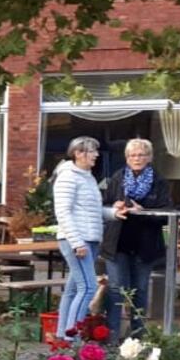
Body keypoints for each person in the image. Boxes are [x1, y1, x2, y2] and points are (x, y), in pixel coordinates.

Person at [101, 138, 170, 337]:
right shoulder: (118, 177)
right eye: (132, 155)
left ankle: (138, 334)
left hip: (145, 244)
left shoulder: (159, 181)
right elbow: (104, 205)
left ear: (149, 157)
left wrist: (144, 211)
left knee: (139, 289)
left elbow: (166, 214)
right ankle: (111, 334)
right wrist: (114, 206)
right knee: (116, 289)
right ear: (126, 158)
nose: (137, 158)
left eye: (141, 155)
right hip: (117, 243)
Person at [52, 136, 106, 341]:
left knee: (73, 289)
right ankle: (71, 337)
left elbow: (92, 210)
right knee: (88, 287)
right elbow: (63, 212)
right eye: (92, 151)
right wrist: (76, 242)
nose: (96, 155)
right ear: (78, 153)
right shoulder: (68, 177)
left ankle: (61, 336)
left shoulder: (87, 176)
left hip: (89, 238)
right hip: (77, 239)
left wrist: (113, 212)